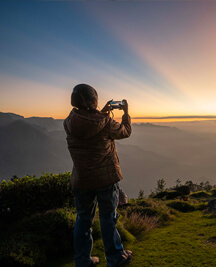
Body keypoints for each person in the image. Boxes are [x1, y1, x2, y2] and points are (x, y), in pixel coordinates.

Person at [64, 84, 133, 267]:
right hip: (105, 179)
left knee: (83, 219)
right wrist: (125, 113)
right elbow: (125, 132)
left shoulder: (69, 121)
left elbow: (89, 124)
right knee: (108, 218)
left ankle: (83, 261)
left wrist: (101, 113)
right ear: (93, 100)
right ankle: (115, 258)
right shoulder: (106, 123)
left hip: (81, 179)